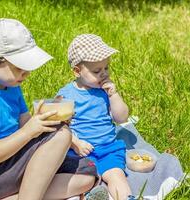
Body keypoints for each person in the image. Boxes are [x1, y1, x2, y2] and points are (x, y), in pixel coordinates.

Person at [0, 18, 103, 200]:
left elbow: (24, 122)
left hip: (10, 158)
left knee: (87, 174)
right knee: (62, 136)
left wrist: (46, 116)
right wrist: (29, 132)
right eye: (20, 68)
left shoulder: (10, 83)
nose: (27, 74)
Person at [57, 34, 134, 200]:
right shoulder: (67, 95)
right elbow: (58, 126)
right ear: (77, 71)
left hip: (108, 149)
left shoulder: (105, 91)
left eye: (106, 68)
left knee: (117, 176)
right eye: (97, 71)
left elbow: (121, 118)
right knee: (77, 182)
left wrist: (113, 95)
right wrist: (75, 143)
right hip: (79, 153)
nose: (104, 74)